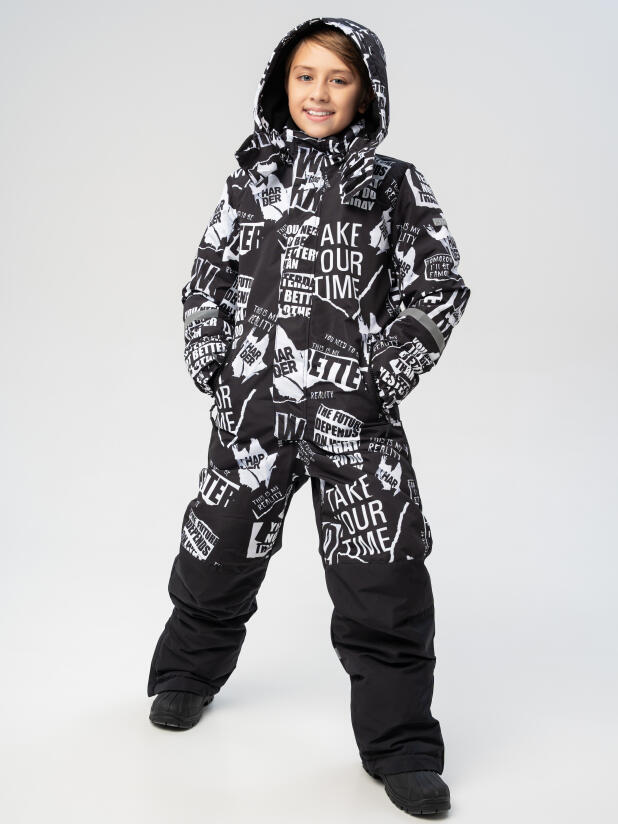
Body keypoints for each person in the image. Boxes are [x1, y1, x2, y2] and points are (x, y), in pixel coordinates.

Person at [147, 16, 471, 816]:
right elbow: (206, 281)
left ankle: (401, 746)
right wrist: (216, 366)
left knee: (385, 578)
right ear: (280, 84)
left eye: (338, 78)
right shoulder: (249, 184)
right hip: (252, 415)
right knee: (216, 551)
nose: (319, 92)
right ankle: (186, 674)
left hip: (355, 424)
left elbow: (439, 285)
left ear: (367, 93)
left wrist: (380, 378)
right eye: (305, 76)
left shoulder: (394, 185)